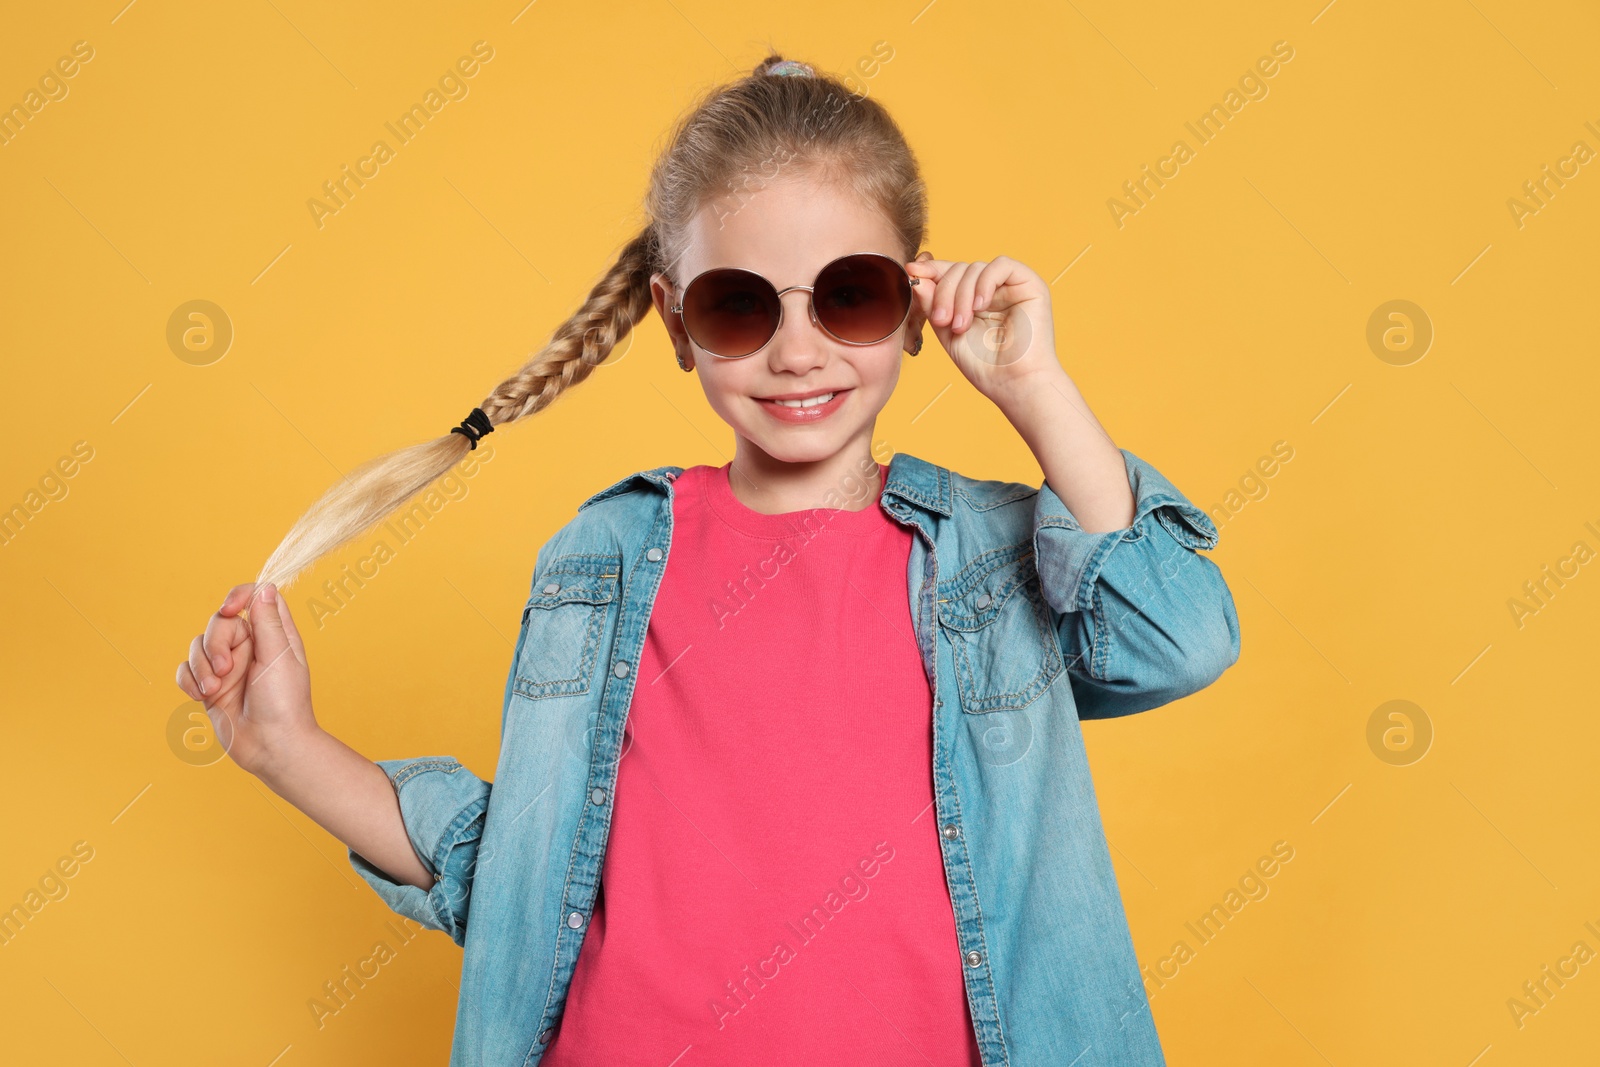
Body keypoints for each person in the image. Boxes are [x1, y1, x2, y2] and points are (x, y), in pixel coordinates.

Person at [175, 52, 1240, 1067]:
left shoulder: (983, 558)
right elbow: (528, 888)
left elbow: (1176, 634)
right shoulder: (603, 558)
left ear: (915, 306)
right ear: (676, 325)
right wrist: (286, 747)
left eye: (850, 294)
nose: (796, 349)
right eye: (738, 305)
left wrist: (1035, 388)